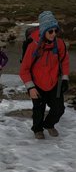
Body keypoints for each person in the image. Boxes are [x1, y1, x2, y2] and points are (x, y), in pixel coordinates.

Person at [19, 11, 70, 140]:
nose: (53, 34)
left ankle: (48, 124)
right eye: (50, 31)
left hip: (54, 83)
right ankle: (37, 129)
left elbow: (64, 61)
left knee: (59, 109)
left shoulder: (60, 44)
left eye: (55, 31)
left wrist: (65, 78)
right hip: (37, 84)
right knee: (38, 110)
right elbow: (24, 70)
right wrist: (31, 88)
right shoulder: (33, 46)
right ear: (43, 31)